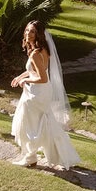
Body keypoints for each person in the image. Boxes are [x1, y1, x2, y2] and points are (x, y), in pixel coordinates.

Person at [10, 20, 80, 169]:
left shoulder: (35, 53)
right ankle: (45, 156)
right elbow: (35, 70)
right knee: (41, 124)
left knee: (28, 125)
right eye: (27, 30)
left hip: (36, 93)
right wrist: (20, 77)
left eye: (33, 31)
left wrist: (25, 81)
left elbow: (42, 77)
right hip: (42, 91)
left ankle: (30, 158)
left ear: (39, 34)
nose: (28, 33)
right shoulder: (42, 49)